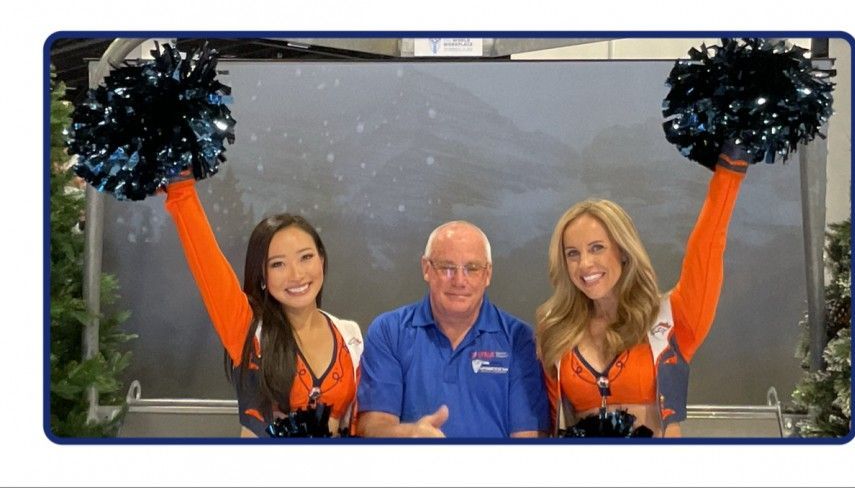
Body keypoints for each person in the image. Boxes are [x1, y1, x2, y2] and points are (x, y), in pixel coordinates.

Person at [534, 145, 749, 436]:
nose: (585, 264)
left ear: (622, 251)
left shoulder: (673, 317)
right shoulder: (554, 330)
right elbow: (545, 424)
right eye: (572, 253)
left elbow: (709, 244)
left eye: (597, 248)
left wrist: (730, 169)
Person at [163, 177, 364, 436]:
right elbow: (206, 259)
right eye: (278, 264)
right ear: (262, 277)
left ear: (321, 260)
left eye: (306, 257)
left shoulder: (350, 335)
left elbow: (361, 423)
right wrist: (181, 189)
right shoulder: (248, 330)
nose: (297, 275)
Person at [356, 221, 548, 438]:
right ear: (426, 269)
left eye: (472, 269)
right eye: (447, 268)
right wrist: (410, 436)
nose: (459, 280)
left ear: (488, 274)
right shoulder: (389, 331)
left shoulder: (519, 339)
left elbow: (529, 439)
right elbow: (372, 428)